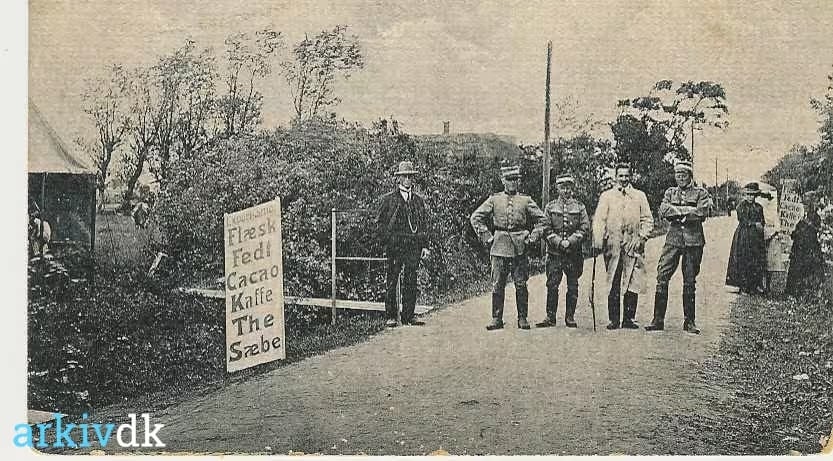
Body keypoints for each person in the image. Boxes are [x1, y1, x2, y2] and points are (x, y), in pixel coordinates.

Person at [470, 165, 547, 331]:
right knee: (497, 284)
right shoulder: (494, 199)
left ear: (518, 181)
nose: (512, 183)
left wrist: (532, 237)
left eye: (515, 179)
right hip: (499, 246)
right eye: (509, 179)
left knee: (521, 284)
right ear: (503, 180)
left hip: (520, 246)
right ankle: (496, 318)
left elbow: (543, 220)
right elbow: (476, 217)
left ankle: (522, 318)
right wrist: (487, 237)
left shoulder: (526, 200)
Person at [645, 160, 712, 334]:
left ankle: (689, 322)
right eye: (678, 175)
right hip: (673, 240)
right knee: (662, 275)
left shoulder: (701, 193)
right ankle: (657, 320)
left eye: (683, 175)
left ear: (690, 176)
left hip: (693, 242)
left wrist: (678, 213)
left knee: (689, 280)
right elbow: (663, 210)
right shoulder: (670, 192)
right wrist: (686, 211)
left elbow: (702, 212)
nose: (680, 178)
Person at [592, 163, 654, 330]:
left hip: (633, 245)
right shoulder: (607, 196)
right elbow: (599, 219)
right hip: (613, 245)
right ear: (616, 177)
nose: (624, 179)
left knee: (632, 281)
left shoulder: (639, 196)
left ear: (630, 177)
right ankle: (614, 319)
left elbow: (648, 219)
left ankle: (628, 318)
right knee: (614, 279)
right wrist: (598, 240)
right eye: (621, 176)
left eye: (627, 176)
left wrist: (641, 237)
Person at [375, 161, 431, 327]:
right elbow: (379, 224)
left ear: (413, 179)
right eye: (404, 176)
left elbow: (424, 225)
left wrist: (425, 246)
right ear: (398, 179)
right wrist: (388, 240)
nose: (407, 179)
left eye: (410, 176)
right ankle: (391, 316)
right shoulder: (389, 200)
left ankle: (408, 315)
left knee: (411, 279)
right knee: (392, 279)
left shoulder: (418, 201)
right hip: (396, 246)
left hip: (413, 246)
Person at [536, 173, 590, 328]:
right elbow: (545, 227)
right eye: (562, 187)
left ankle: (570, 316)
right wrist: (559, 242)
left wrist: (571, 241)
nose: (566, 191)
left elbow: (585, 227)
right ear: (557, 188)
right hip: (555, 254)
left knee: (573, 284)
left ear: (572, 188)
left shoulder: (579, 206)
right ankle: (550, 316)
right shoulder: (550, 207)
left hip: (574, 254)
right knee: (552, 284)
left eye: (568, 187)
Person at [725, 182, 766, 294]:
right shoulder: (741, 206)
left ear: (756, 196)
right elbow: (742, 220)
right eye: (748, 194)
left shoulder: (759, 207)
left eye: (752, 195)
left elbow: (762, 221)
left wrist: (761, 225)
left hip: (755, 237)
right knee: (743, 259)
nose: (750, 197)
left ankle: (754, 285)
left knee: (755, 259)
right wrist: (754, 224)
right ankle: (743, 286)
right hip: (744, 235)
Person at [785, 192, 825, 295]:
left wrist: (808, 224)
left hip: (809, 248)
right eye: (804, 205)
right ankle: (793, 292)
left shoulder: (815, 217)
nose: (805, 207)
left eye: (807, 205)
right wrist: (793, 233)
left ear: (811, 205)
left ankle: (807, 291)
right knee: (796, 268)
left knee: (808, 269)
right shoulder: (802, 218)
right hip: (799, 247)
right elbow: (797, 231)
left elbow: (815, 231)